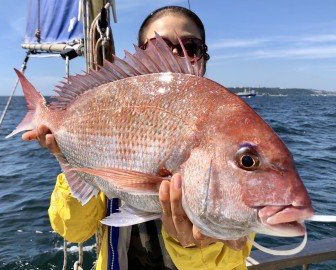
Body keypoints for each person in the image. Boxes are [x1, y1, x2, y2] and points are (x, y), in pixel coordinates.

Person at [22, 6, 253, 270]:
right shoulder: (110, 121)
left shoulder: (229, 137)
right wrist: (68, 160)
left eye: (189, 47)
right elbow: (74, 232)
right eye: (159, 46)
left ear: (203, 57)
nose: (175, 54)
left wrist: (201, 247)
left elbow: (234, 259)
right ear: (140, 57)